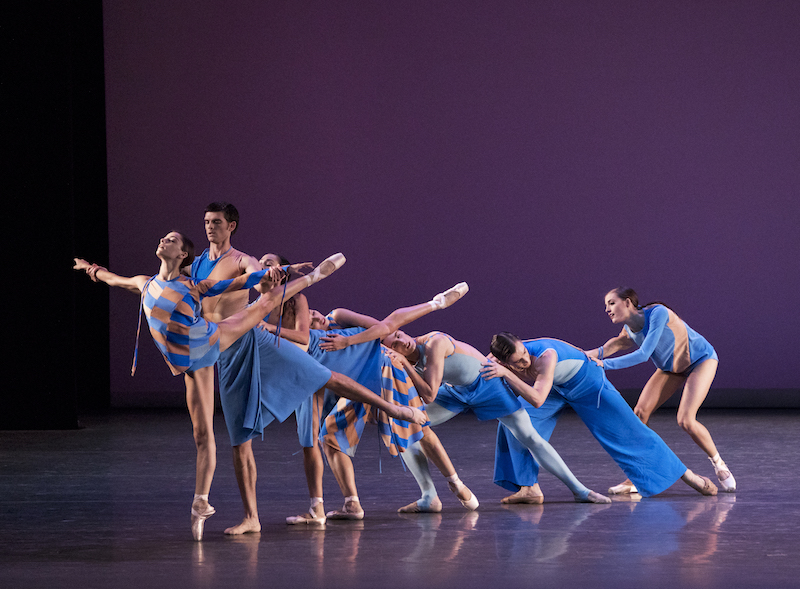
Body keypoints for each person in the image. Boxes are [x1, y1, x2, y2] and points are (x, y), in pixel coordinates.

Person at [72, 231, 347, 539]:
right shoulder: (144, 283)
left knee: (258, 308)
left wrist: (282, 270)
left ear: (182, 255)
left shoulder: (194, 285)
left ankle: (314, 276)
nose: (163, 240)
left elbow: (238, 282)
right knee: (201, 434)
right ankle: (200, 502)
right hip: (190, 361)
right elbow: (113, 279)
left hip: (209, 339)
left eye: (171, 239)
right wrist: (90, 269)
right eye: (163, 237)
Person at [190, 203, 426, 535]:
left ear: (231, 226)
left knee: (323, 377)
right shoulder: (198, 265)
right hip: (224, 352)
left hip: (261, 340)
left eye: (216, 222)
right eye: (206, 222)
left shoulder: (244, 261)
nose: (209, 227)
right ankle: (254, 518)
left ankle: (394, 409)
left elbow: (262, 286)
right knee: (241, 439)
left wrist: (268, 276)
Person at [265, 285, 474, 523]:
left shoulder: (337, 317)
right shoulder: (311, 348)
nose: (315, 317)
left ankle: (455, 483)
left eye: (312, 312)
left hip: (382, 368)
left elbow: (387, 326)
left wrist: (348, 341)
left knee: (419, 428)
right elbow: (329, 385)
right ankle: (352, 503)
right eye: (309, 320)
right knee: (330, 436)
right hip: (357, 384)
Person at [382, 330, 611, 509]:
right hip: (456, 391)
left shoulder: (434, 341)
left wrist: (404, 363)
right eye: (395, 344)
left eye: (400, 335)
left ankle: (580, 490)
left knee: (530, 438)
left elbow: (429, 393)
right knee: (404, 426)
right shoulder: (399, 362)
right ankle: (429, 497)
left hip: (487, 383)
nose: (402, 342)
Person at [486, 332, 719, 500]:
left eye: (524, 353)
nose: (525, 361)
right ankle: (529, 488)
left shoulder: (546, 356)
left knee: (630, 431)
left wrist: (507, 373)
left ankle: (688, 476)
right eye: (517, 362)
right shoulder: (497, 359)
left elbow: (537, 399)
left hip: (588, 383)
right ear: (503, 360)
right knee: (514, 423)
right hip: (555, 387)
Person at [585, 287, 735, 493]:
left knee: (686, 420)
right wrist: (585, 354)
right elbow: (613, 345)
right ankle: (637, 478)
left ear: (627, 302)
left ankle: (719, 463)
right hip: (670, 369)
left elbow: (643, 354)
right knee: (639, 415)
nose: (607, 309)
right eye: (606, 305)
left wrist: (606, 365)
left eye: (611, 303)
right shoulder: (629, 329)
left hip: (701, 360)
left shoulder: (658, 313)